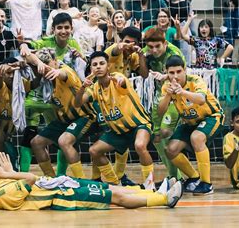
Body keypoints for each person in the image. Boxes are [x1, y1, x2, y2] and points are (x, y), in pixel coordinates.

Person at [0, 152, 183, 210]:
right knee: (116, 197)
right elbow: (31, 178)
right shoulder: (4, 197)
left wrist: (8, 171)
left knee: (110, 187)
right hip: (65, 198)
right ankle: (164, 199)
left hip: (63, 186)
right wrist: (8, 173)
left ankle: (152, 192)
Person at [75, 51, 154, 184]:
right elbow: (77, 103)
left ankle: (150, 185)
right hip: (118, 131)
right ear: (91, 69)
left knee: (140, 145)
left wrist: (120, 81)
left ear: (108, 66)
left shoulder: (116, 76)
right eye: (95, 65)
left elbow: (122, 81)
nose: (98, 67)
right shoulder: (94, 88)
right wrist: (83, 87)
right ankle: (115, 183)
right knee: (94, 151)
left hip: (138, 125)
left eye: (102, 63)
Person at [159, 55, 224, 195]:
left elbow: (201, 99)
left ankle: (206, 184)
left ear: (185, 70)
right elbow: (160, 111)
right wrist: (167, 96)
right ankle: (194, 178)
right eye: (171, 73)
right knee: (170, 149)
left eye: (178, 72)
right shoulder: (167, 87)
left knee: (197, 138)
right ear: (167, 73)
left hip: (211, 117)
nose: (175, 76)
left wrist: (182, 92)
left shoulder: (196, 80)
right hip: (189, 122)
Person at [30, 48, 98, 179]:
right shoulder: (44, 81)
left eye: (48, 65)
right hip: (64, 119)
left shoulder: (66, 71)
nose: (45, 70)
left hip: (84, 116)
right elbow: (26, 54)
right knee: (36, 143)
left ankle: (82, 181)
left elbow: (62, 73)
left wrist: (56, 71)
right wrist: (25, 48)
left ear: (55, 61)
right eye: (41, 67)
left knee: (64, 141)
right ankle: (51, 179)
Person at [139, 27, 184, 180]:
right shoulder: (146, 50)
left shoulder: (174, 52)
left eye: (158, 46)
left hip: (177, 95)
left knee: (166, 132)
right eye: (151, 47)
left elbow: (181, 76)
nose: (154, 50)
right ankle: (174, 176)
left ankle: (189, 174)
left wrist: (165, 76)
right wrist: (141, 57)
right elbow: (144, 75)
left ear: (165, 43)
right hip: (160, 96)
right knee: (157, 137)